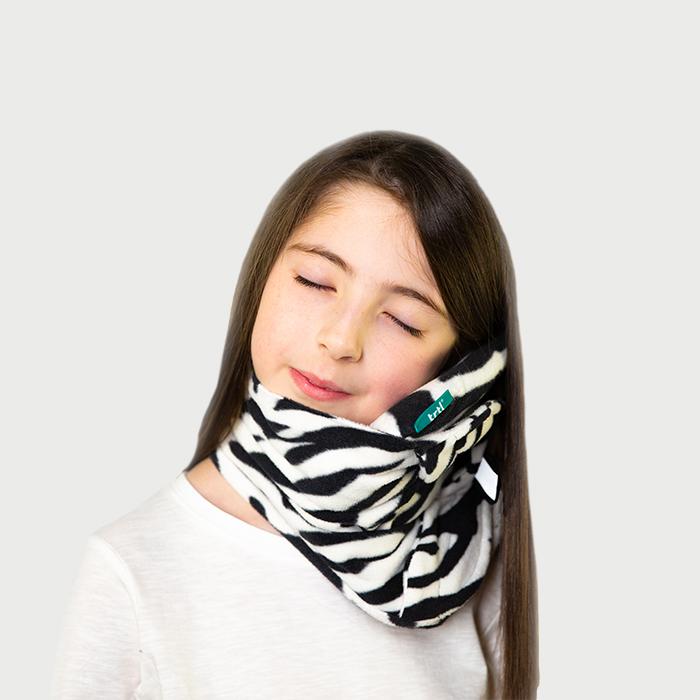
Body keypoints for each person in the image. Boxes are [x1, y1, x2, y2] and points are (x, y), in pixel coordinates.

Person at [49, 130, 539, 699]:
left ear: (464, 368)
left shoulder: (473, 553)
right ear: (261, 276)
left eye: (402, 320)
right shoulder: (132, 568)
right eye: (315, 281)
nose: (341, 340)